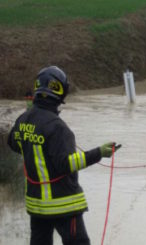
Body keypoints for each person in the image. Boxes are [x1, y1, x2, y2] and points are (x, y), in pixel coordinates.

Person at [7, 66, 120, 245]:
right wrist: (99, 153)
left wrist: (28, 115)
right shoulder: (58, 127)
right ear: (61, 92)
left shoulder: (23, 120)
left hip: (37, 207)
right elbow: (66, 164)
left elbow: (14, 143)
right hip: (64, 205)